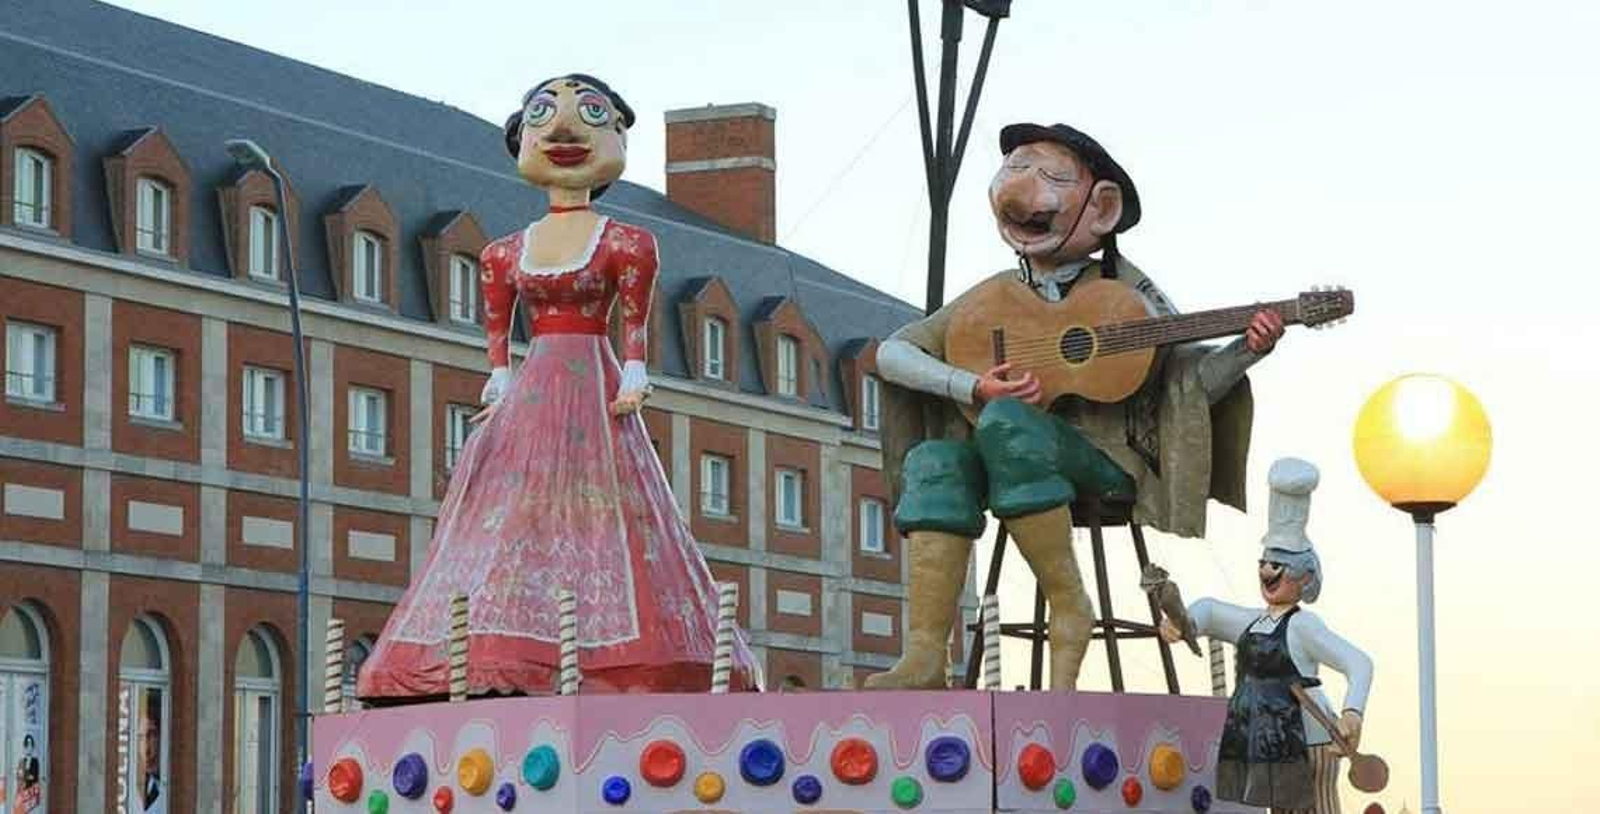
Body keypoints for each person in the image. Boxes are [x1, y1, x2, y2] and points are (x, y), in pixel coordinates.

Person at [359, 74, 760, 697]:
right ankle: (500, 642)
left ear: (618, 136)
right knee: (513, 511)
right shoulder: (502, 253)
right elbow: (497, 333)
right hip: (534, 386)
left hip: (592, 382)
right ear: (522, 138)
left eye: (590, 114)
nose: (565, 130)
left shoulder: (628, 242)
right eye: (544, 114)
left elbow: (634, 325)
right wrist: (497, 381)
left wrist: (635, 372)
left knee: (604, 507)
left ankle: (616, 645)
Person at [865, 123, 1283, 691]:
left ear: (1101, 208)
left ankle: (1070, 605)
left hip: (1103, 460)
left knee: (1009, 425)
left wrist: (1245, 350)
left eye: (1054, 178)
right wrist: (970, 386)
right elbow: (893, 352)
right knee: (935, 458)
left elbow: (1188, 382)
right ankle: (923, 655)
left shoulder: (1131, 296)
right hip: (1007, 455)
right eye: (1016, 169)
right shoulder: (993, 298)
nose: (1023, 189)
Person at [1161, 458, 1373, 813]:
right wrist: (1185, 622)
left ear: (1304, 577)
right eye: (1265, 561)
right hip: (1265, 741)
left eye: (1280, 564)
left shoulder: (1304, 626)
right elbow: (1210, 611)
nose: (1268, 570)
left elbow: (1359, 663)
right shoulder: (1253, 622)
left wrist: (1353, 713)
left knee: (1317, 806)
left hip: (1308, 737)